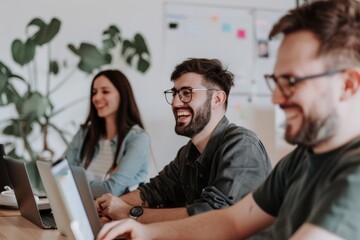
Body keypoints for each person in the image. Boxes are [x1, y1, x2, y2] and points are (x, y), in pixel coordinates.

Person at [96, 0, 360, 239]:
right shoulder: (299, 160)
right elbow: (230, 221)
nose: (276, 99)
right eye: (275, 82)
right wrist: (144, 232)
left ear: (348, 85)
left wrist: (133, 215)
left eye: (291, 81)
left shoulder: (353, 174)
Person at [96, 58, 272, 239]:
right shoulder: (189, 152)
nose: (175, 103)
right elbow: (155, 190)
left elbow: (210, 217)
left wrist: (130, 213)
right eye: (174, 93)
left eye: (187, 93)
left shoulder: (242, 146)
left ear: (217, 99)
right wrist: (110, 206)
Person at [64, 69, 150, 199]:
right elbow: (60, 176)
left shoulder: (138, 139)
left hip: (113, 216)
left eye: (105, 91)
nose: (97, 98)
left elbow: (112, 190)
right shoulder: (84, 133)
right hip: (78, 208)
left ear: (122, 95)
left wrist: (73, 184)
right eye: (94, 92)